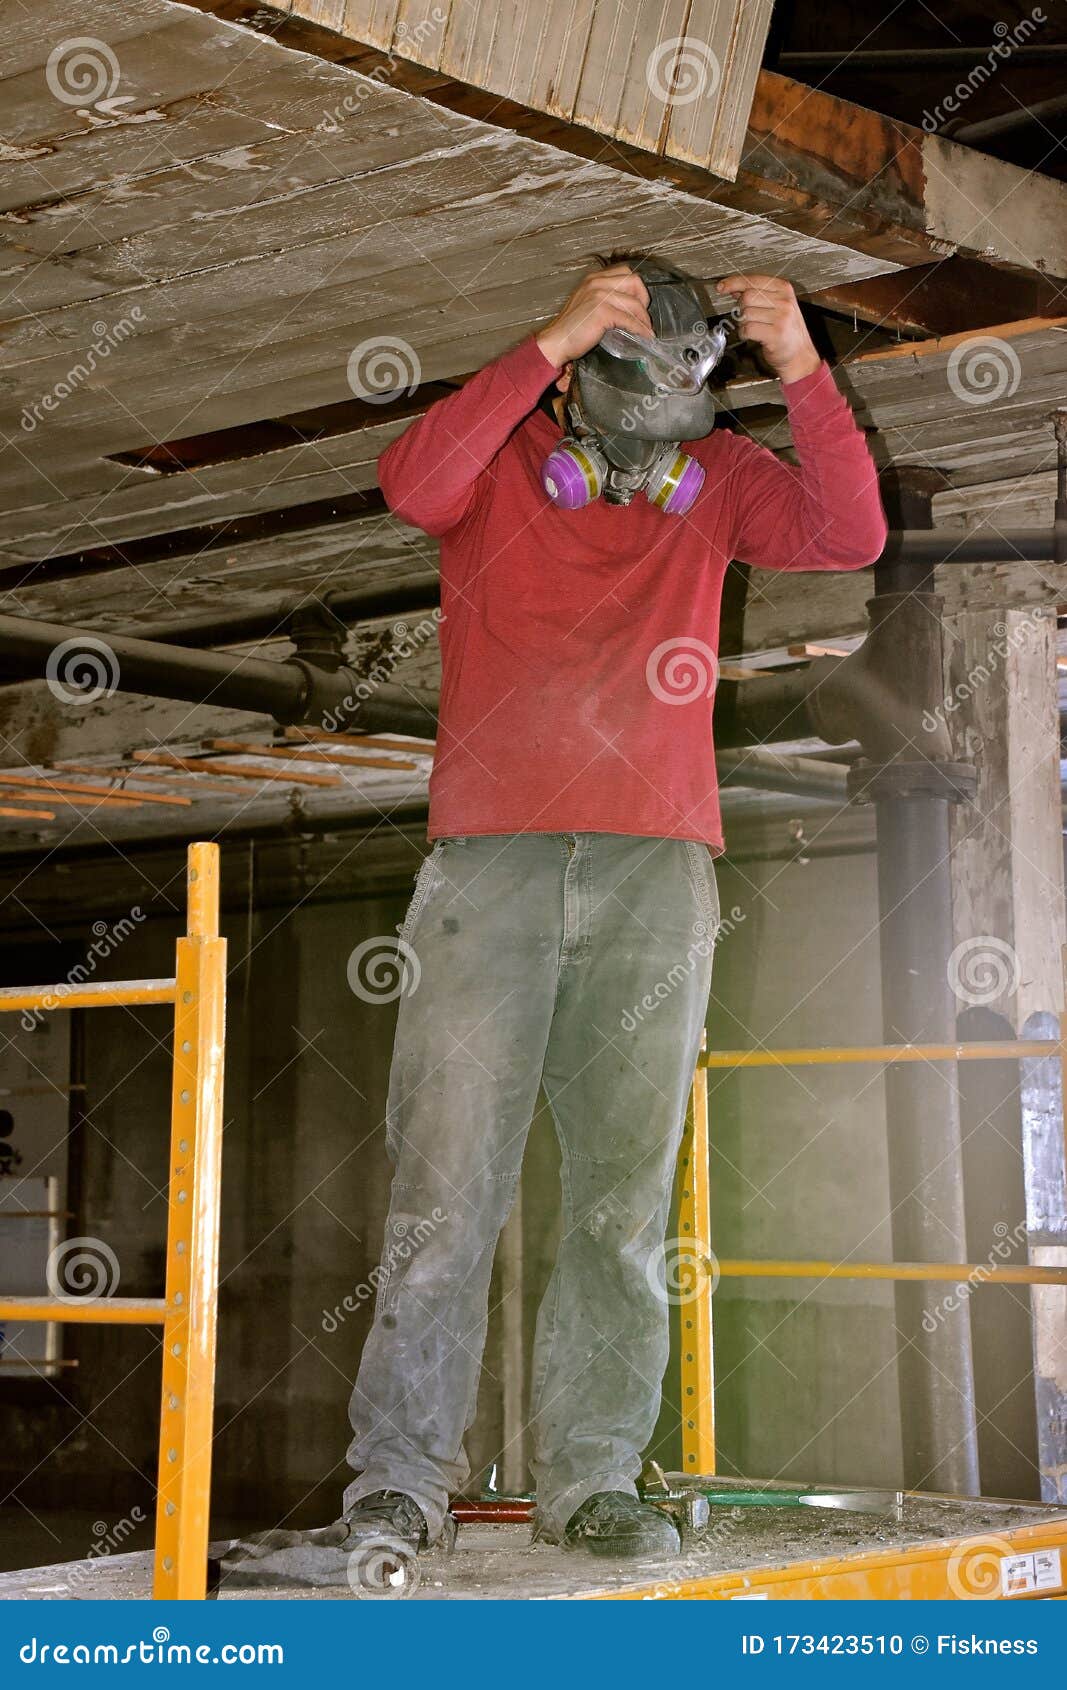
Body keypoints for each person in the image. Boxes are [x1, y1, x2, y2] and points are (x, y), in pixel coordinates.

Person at [222, 258, 886, 1589]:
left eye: (669, 447)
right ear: (581, 394)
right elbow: (412, 480)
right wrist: (552, 334)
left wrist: (803, 368)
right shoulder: (504, 464)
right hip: (493, 873)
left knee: (621, 1206)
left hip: (658, 872)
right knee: (445, 1191)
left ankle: (592, 1478)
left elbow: (853, 534)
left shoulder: (722, 486)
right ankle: (401, 1484)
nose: (646, 471)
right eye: (624, 440)